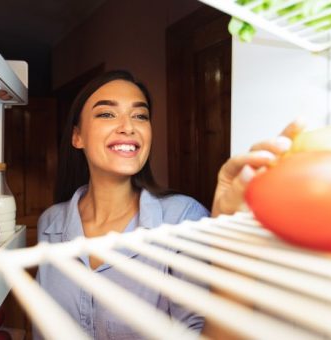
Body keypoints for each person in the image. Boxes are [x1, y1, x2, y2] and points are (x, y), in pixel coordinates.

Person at [35, 70, 300, 339]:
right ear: (77, 136)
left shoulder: (184, 218)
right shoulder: (50, 223)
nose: (128, 126)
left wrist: (236, 248)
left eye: (140, 115)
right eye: (107, 114)